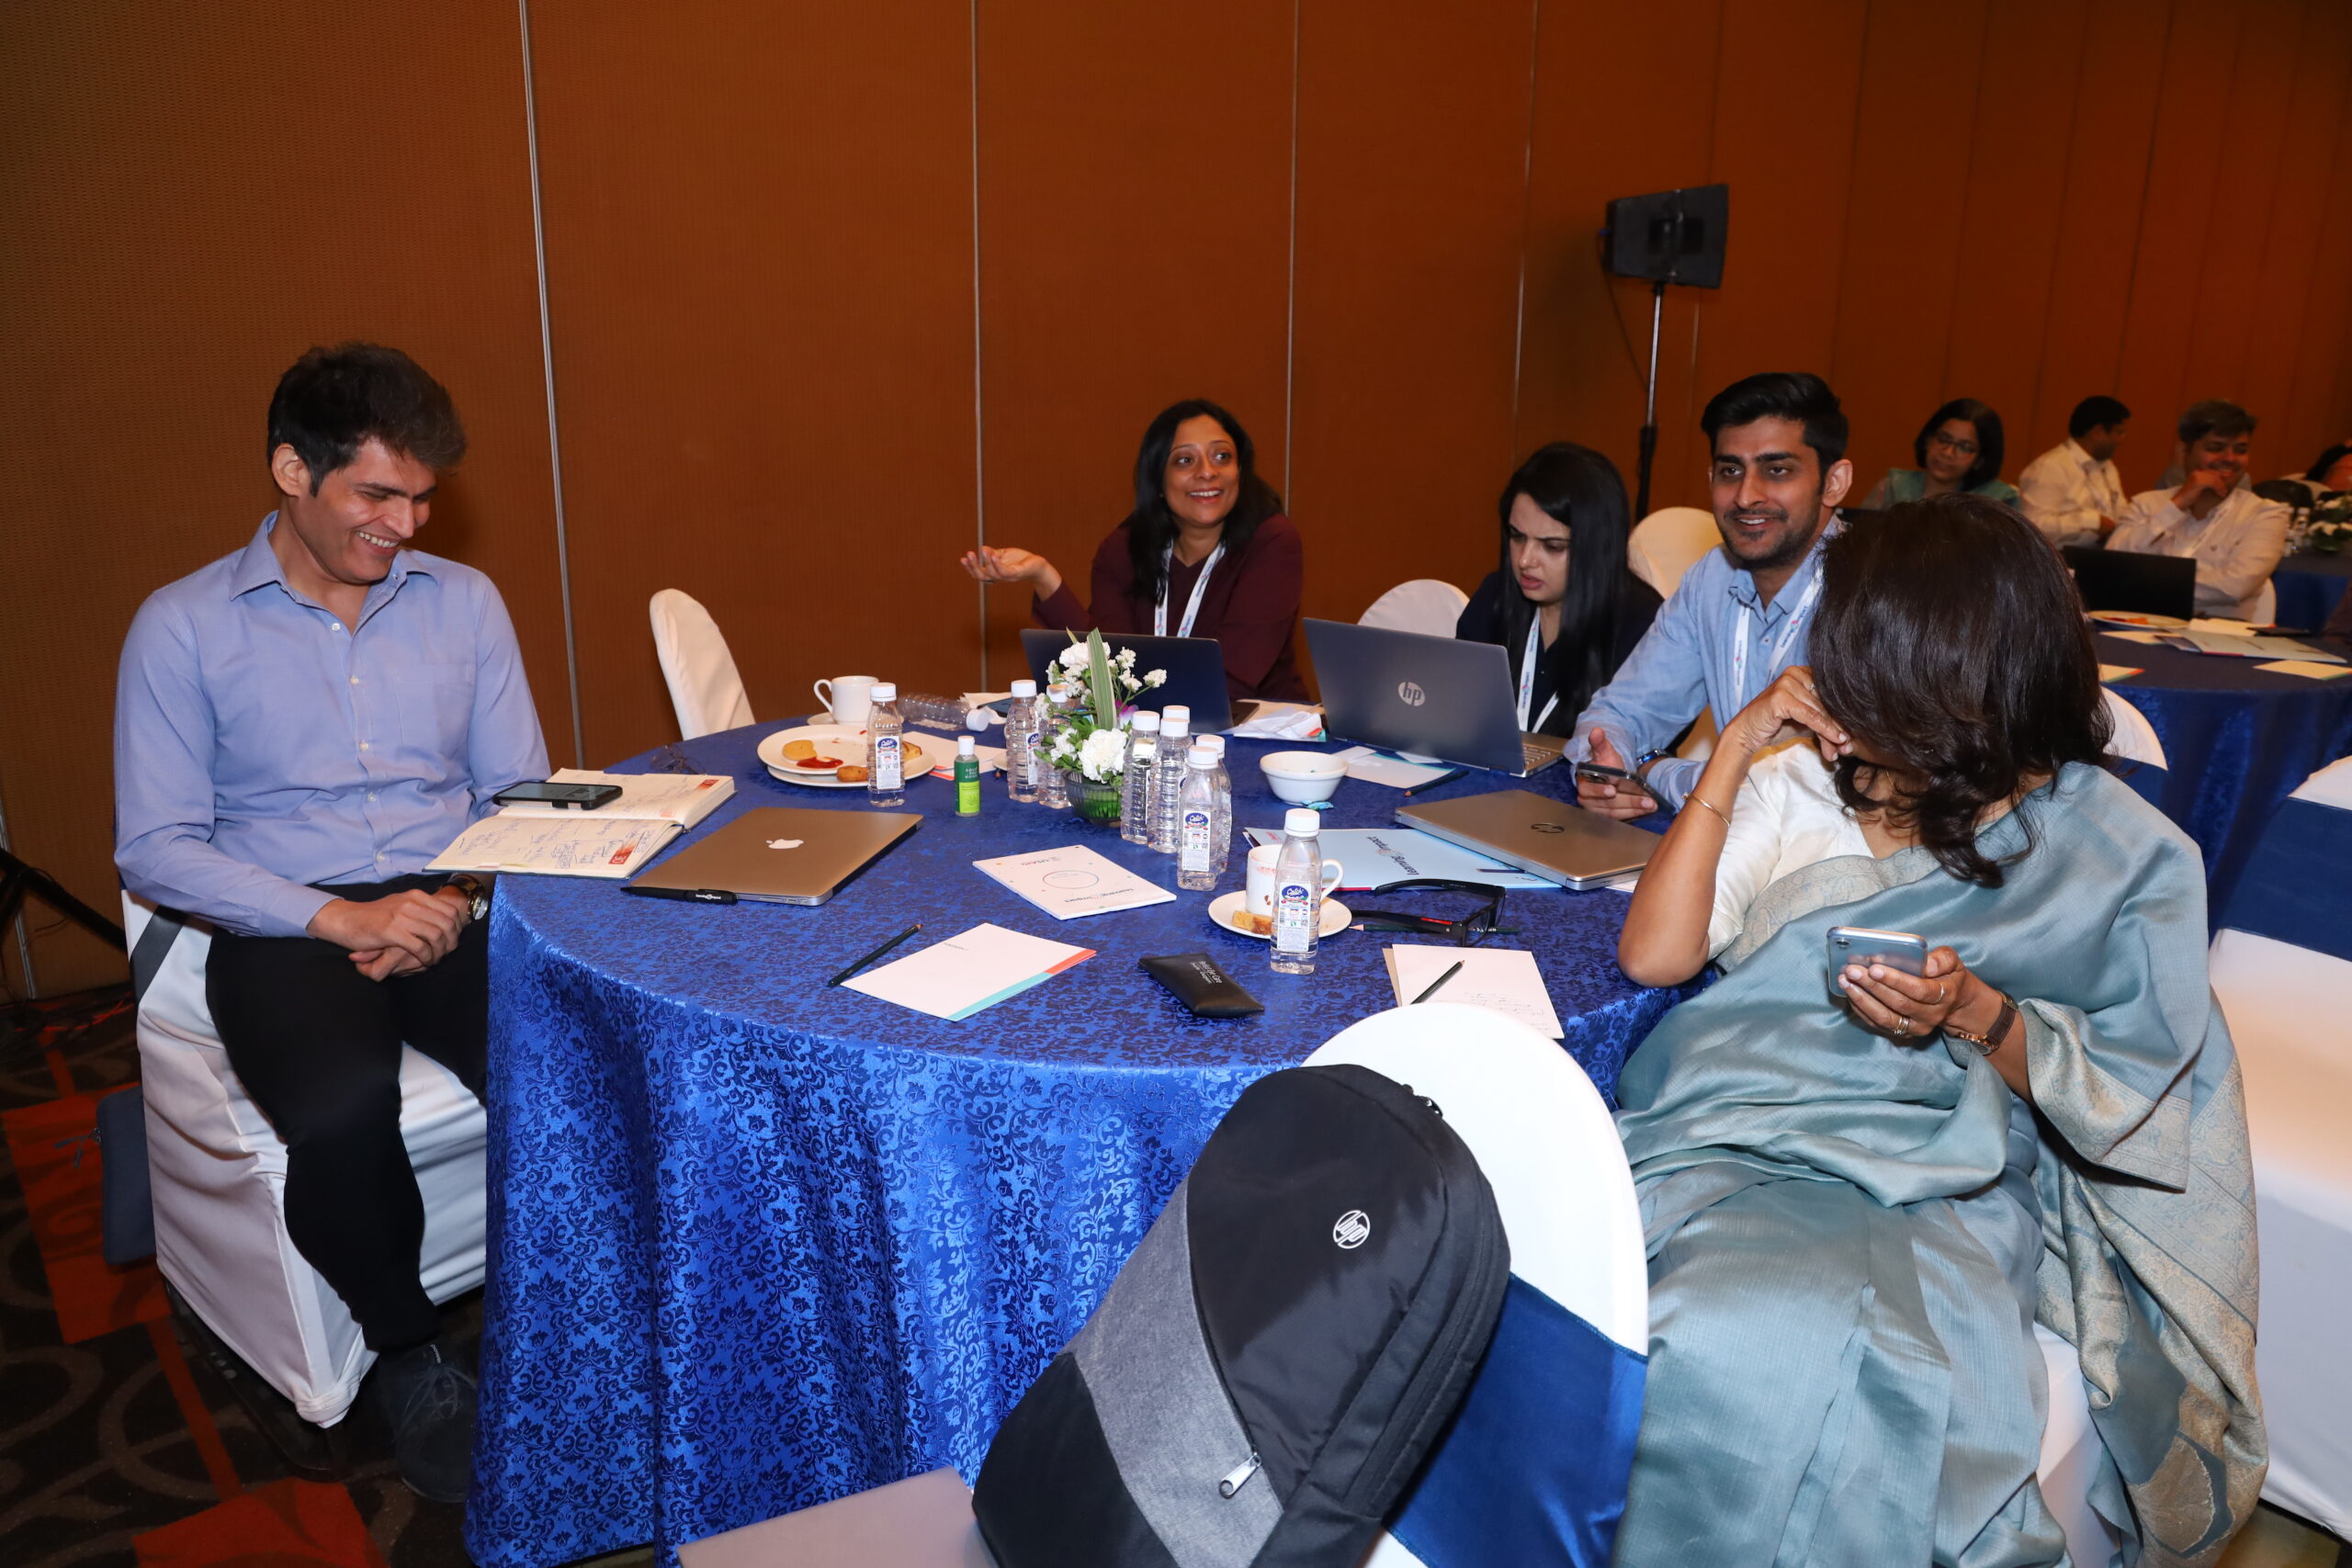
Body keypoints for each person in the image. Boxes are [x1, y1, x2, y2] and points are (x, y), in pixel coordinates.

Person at [1609, 494, 2261, 1565]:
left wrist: (1974, 1013)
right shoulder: (1801, 780)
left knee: (1871, 1357)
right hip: (1736, 1136)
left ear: (1940, 665)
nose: (1829, 657)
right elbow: (1654, 959)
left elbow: (2129, 1094)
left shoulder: (2105, 849)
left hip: (1949, 1175)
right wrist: (1732, 750)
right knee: (1684, 1315)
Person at [114, 344, 547, 1502]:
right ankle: (408, 1351)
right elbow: (155, 845)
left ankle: (571, 1295)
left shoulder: (465, 604)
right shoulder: (182, 626)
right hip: (282, 923)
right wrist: (336, 918)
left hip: (449, 899)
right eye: (378, 495)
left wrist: (453, 899)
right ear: (291, 471)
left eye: (423, 498)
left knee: (561, 1060)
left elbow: (519, 796)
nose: (406, 525)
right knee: (343, 1106)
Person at [1568, 371, 1854, 818]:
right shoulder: (1712, 579)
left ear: (1834, 482)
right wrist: (1606, 768)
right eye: (1730, 471)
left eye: (1777, 470)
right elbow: (1622, 712)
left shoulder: (1875, 595)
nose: (1745, 496)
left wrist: (1657, 771)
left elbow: (1805, 793)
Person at [960, 399, 1307, 702]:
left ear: (1240, 471)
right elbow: (1102, 669)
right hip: (1154, 728)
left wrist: (1126, 695)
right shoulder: (1124, 549)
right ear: (1158, 481)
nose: (1207, 472)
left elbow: (1230, 679)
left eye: (1222, 456)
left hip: (1264, 733)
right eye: (1185, 460)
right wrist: (1044, 577)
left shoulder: (1272, 543)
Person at [1453, 442, 1659, 737]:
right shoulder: (1495, 594)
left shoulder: (1644, 627)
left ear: (1597, 548)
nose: (1525, 560)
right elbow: (1456, 704)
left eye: (1552, 546)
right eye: (1517, 537)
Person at [2109, 400, 2290, 619]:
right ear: (2183, 451)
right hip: (2133, 624)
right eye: (2215, 448)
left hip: (2218, 633)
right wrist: (2178, 504)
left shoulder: (2266, 514)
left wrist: (2141, 581)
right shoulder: (2146, 504)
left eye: (2240, 450)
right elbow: (2112, 564)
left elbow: (2234, 587)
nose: (2230, 459)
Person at [1860, 397, 2021, 509]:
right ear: (1928, 439)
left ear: (1980, 460)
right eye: (1943, 439)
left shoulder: (1995, 502)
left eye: (1965, 447)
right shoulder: (1892, 487)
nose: (1948, 453)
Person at [2017, 394, 2130, 547]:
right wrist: (2091, 522)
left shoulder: (2107, 467)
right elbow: (2034, 525)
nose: (2122, 440)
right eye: (2119, 432)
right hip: (2057, 557)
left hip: (2099, 553)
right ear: (2097, 432)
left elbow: (2119, 511)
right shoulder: (2050, 467)